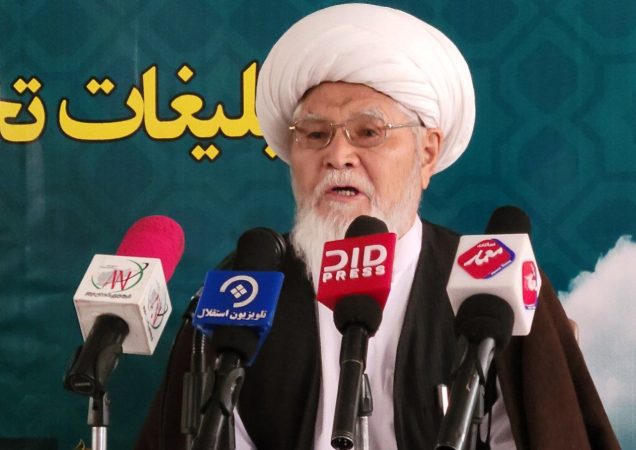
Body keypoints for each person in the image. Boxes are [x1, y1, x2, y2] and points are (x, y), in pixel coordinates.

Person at [135, 4, 620, 449]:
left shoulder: (494, 282)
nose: (337, 156)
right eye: (315, 134)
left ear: (426, 153)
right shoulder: (246, 284)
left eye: (368, 132)